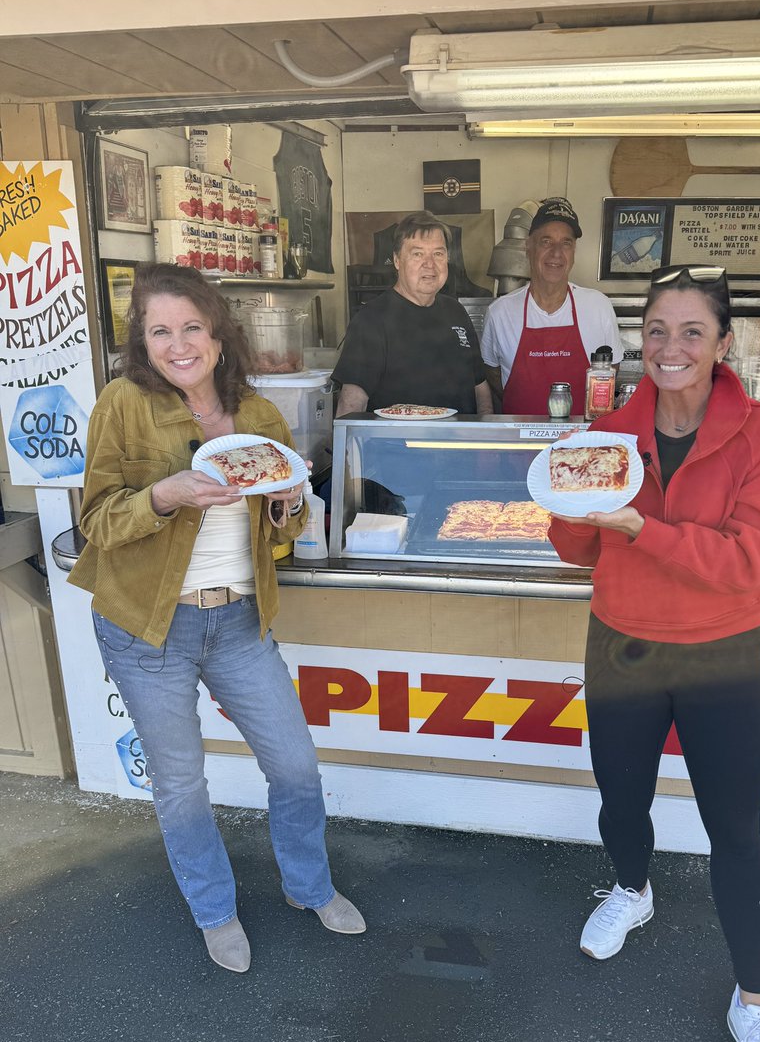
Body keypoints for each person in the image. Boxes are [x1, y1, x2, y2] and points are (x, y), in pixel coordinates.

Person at [548, 264, 760, 1042]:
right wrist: (571, 503)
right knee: (621, 796)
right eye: (656, 331)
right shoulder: (611, 428)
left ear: (724, 345)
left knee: (736, 829)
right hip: (621, 641)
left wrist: (638, 529)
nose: (671, 348)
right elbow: (576, 550)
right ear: (639, 341)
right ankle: (632, 889)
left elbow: (752, 563)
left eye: (692, 332)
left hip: (722, 653)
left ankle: (755, 1007)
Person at [69, 263, 365, 975]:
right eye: (160, 330)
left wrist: (289, 503)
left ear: (218, 335)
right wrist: (163, 496)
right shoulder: (122, 404)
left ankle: (309, 887)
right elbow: (96, 523)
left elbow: (277, 531)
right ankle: (215, 911)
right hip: (149, 629)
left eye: (191, 327)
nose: (179, 344)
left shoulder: (259, 416)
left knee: (294, 767)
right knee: (181, 784)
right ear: (143, 341)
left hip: (238, 621)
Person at [333, 210, 492, 416]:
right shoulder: (371, 320)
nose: (429, 264)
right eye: (417, 254)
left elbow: (479, 386)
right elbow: (352, 405)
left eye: (438, 254)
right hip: (397, 446)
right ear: (397, 261)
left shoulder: (456, 312)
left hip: (458, 444)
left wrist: (486, 437)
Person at [480, 196, 623, 413]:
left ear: (573, 252)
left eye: (566, 243)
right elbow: (492, 375)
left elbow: (610, 373)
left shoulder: (598, 306)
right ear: (528, 247)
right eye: (546, 241)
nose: (557, 253)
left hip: (583, 442)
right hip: (518, 440)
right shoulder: (500, 312)